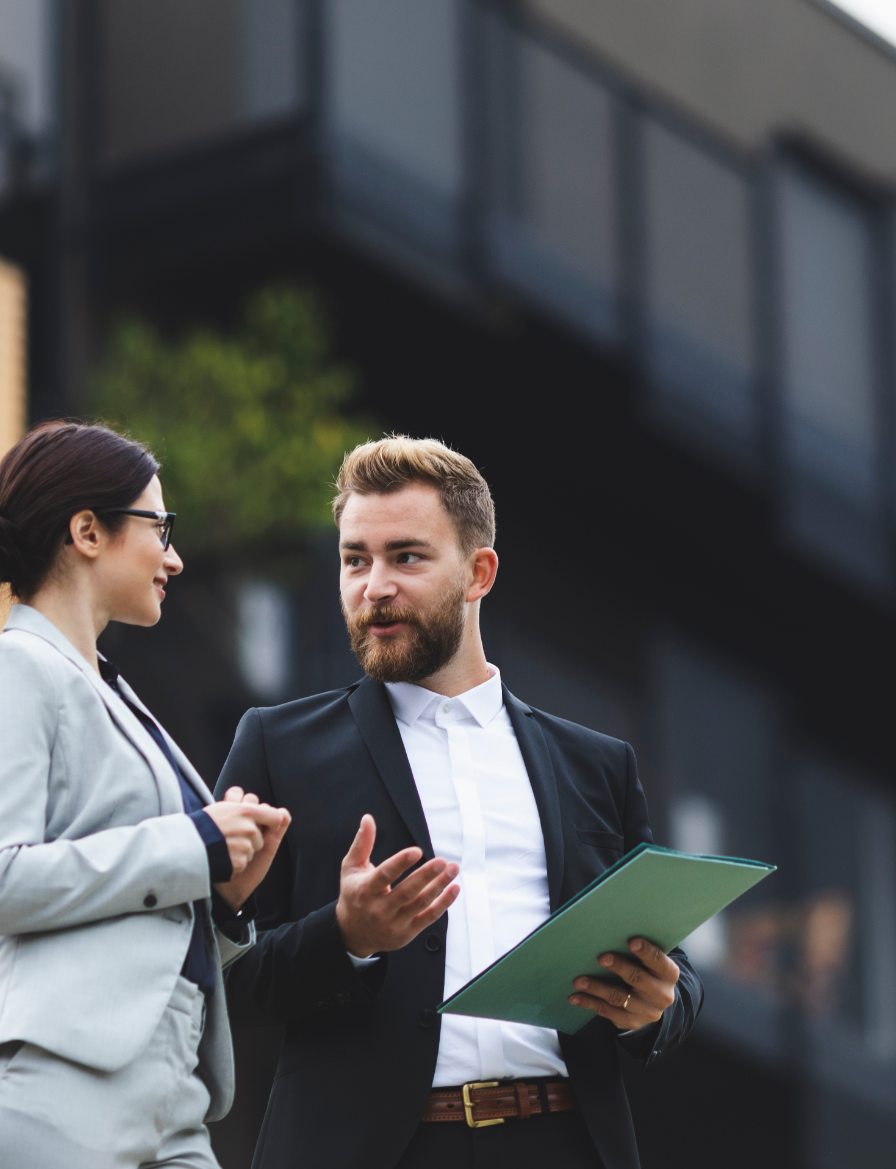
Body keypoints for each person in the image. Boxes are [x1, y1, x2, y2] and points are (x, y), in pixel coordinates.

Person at [217, 436, 702, 1169]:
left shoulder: (596, 766)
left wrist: (654, 1008)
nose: (374, 585)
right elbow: (213, 980)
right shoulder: (278, 747)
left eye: (406, 557)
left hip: (564, 1141)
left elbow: (673, 966)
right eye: (356, 560)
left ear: (479, 573)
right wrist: (344, 936)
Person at [0, 421, 292, 1169]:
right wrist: (192, 846)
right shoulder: (8, 670)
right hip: (47, 1088)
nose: (176, 556)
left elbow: (141, 927)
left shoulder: (113, 696)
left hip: (172, 1103)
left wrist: (222, 898)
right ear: (87, 531)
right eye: (161, 527)